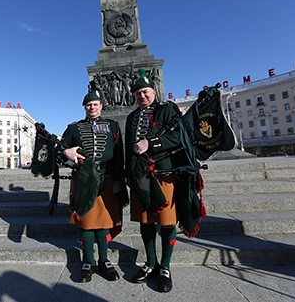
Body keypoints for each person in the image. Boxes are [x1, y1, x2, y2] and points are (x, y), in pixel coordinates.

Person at [125, 69, 199, 293]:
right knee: (145, 221)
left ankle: (165, 267)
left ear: (153, 92)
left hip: (164, 174)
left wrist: (151, 143)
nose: (142, 96)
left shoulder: (168, 110)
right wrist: (127, 174)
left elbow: (179, 136)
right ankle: (150, 264)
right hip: (140, 177)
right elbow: (129, 148)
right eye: (138, 94)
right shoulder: (131, 117)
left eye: (145, 92)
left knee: (167, 222)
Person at [60, 83, 126, 283]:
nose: (92, 107)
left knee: (104, 221)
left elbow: (119, 155)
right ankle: (88, 261)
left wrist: (118, 179)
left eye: (95, 104)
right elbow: (60, 147)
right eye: (89, 105)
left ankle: (104, 261)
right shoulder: (74, 128)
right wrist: (66, 152)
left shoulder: (113, 126)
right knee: (87, 224)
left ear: (101, 106)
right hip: (84, 179)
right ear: (84, 107)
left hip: (106, 177)